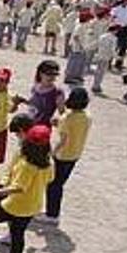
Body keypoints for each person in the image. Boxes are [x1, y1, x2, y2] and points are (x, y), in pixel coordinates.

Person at [0, 125, 54, 253]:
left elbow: (18, 187)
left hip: (15, 205)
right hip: (33, 206)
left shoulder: (27, 165)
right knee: (18, 234)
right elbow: (50, 179)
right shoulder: (49, 163)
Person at [37, 88, 92, 226]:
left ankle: (52, 214)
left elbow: (63, 140)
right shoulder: (87, 116)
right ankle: (52, 212)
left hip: (62, 156)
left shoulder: (66, 119)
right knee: (59, 183)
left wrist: (51, 153)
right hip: (75, 154)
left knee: (53, 185)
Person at [14, 60, 65, 127]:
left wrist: (57, 120)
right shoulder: (36, 87)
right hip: (29, 124)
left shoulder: (57, 92)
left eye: (54, 75)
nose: (52, 77)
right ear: (40, 73)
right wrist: (22, 100)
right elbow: (34, 105)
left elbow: (63, 113)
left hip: (42, 129)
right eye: (48, 74)